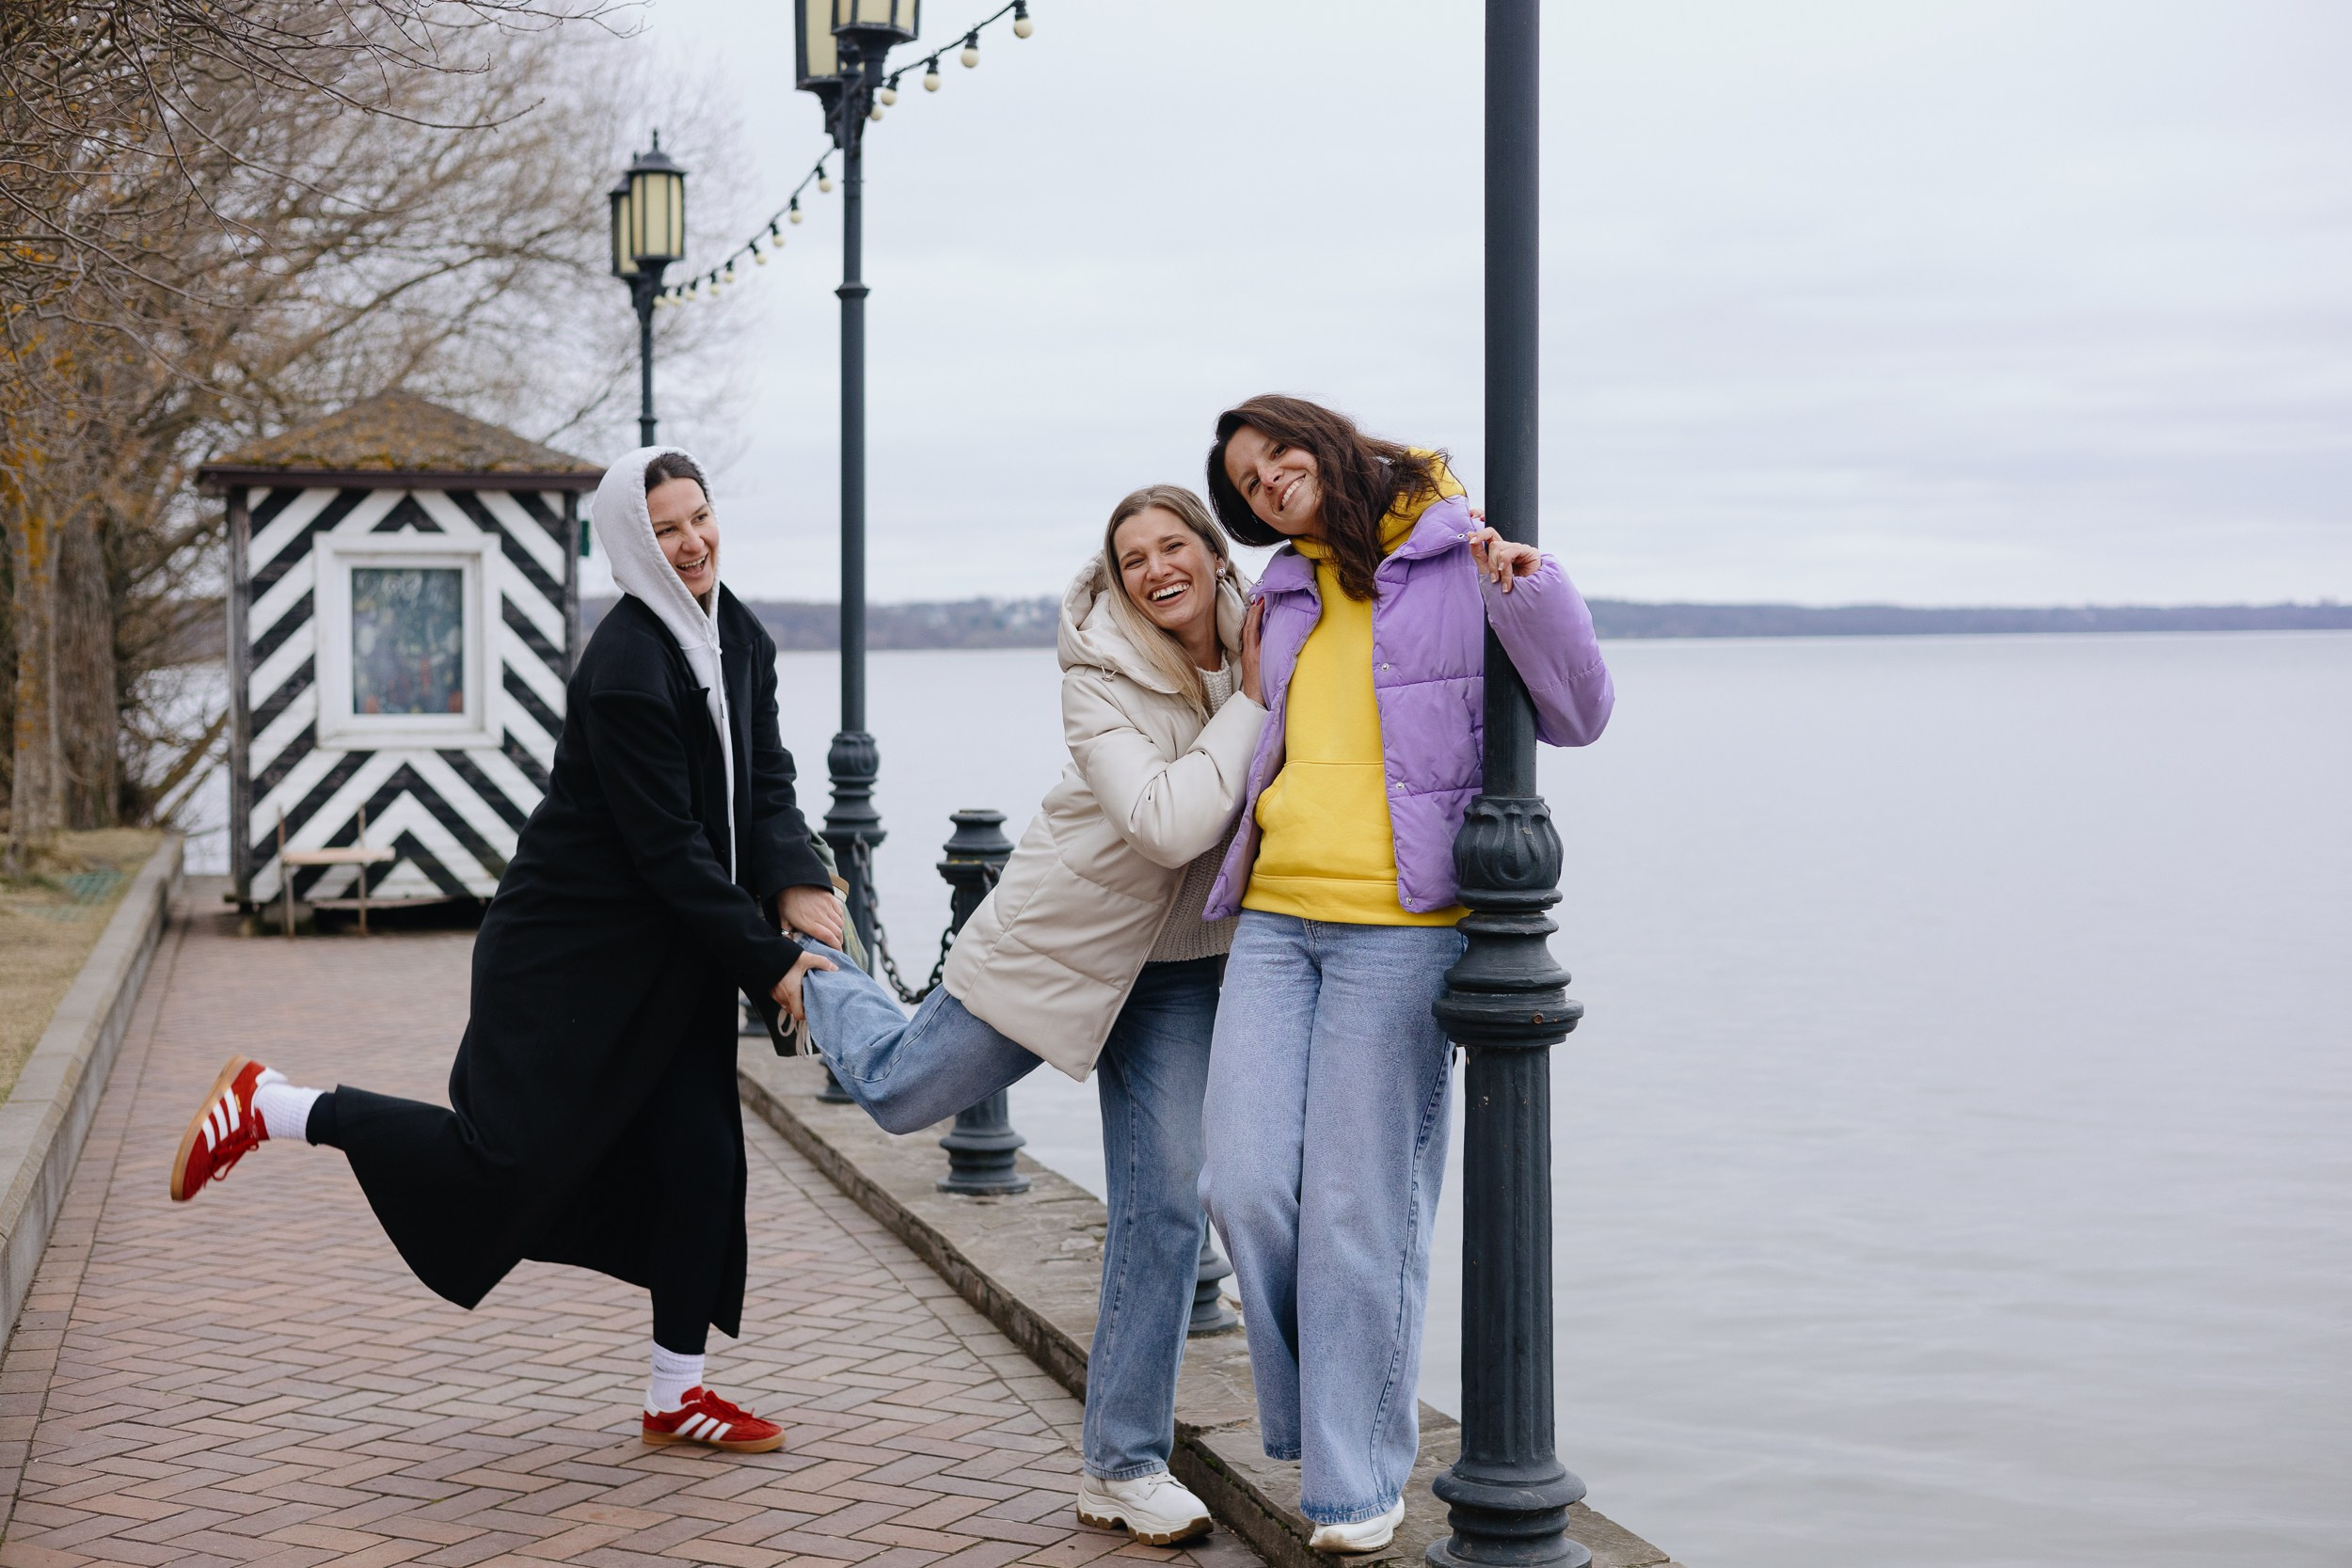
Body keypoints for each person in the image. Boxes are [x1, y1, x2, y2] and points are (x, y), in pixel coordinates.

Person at [168, 449, 844, 1454]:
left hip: (667, 957)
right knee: (506, 1164)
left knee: (703, 1163)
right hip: (569, 959)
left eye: (700, 517)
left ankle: (676, 1395)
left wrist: (793, 873)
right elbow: (669, 851)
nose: (693, 540)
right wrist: (774, 962)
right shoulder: (624, 666)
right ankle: (273, 1103)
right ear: (631, 542)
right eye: (667, 528)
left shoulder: (734, 634)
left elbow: (766, 778)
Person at [772, 484, 1267, 1544]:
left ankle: (1121, 1465)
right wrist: (1254, 703)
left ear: (1215, 555)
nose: (1154, 567)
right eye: (1133, 555)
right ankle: (815, 972)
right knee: (902, 1092)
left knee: (1167, 1205)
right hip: (1060, 942)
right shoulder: (1098, 673)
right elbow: (1168, 822)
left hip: (1181, 972)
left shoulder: (1276, 637)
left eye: (1173, 543)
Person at [1194, 395, 1614, 1553]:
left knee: (1355, 1206)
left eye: (1275, 453)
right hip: (1278, 919)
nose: (1267, 480)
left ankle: (1352, 1481)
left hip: (1400, 924)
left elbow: (1577, 711)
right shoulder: (1281, 590)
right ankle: (1320, 1418)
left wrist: (1531, 590)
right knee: (1240, 1182)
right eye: (1246, 479)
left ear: (1326, 441)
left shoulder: (1456, 555)